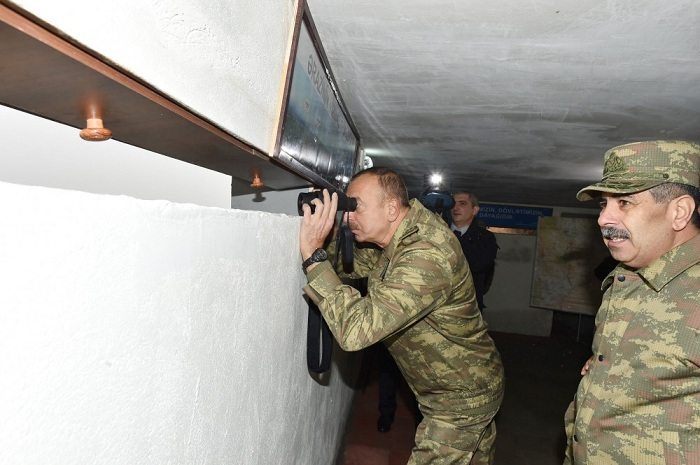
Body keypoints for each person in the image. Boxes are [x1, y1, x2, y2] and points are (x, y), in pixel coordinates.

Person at [299, 167, 504, 465]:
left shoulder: (426, 253)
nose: (349, 216)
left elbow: (356, 331)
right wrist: (325, 231)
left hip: (461, 398)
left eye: (356, 207)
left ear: (392, 208)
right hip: (459, 386)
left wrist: (312, 255)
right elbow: (349, 265)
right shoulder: (399, 237)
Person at [563, 140, 700, 464]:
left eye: (624, 202)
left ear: (678, 212)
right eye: (603, 205)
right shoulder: (626, 276)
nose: (603, 219)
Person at [450, 191, 499, 310]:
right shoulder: (436, 232)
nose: (455, 208)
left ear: (475, 210)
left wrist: (452, 237)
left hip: (467, 307)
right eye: (452, 204)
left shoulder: (485, 238)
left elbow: (478, 264)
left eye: (462, 203)